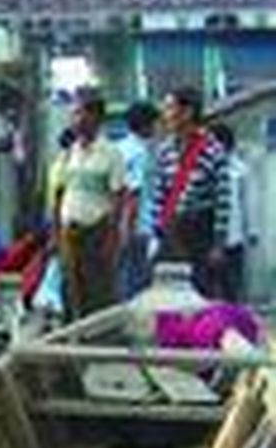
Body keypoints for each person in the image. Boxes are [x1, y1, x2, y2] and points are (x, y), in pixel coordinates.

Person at [54, 91, 127, 320]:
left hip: (95, 231)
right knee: (69, 287)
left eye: (81, 112)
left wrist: (112, 237)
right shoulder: (69, 153)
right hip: (69, 230)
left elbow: (118, 197)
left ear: (96, 117)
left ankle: (99, 343)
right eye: (74, 113)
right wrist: (56, 230)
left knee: (97, 288)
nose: (76, 119)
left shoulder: (111, 153)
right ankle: (71, 340)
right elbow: (60, 192)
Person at [152, 87, 229, 297]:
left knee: (200, 293)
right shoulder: (164, 151)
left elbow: (222, 202)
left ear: (187, 112)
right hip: (171, 232)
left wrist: (218, 244)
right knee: (169, 294)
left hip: (200, 231)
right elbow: (159, 195)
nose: (165, 114)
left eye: (170, 108)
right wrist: (156, 233)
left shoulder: (212, 150)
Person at [115, 102, 159, 299]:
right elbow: (133, 193)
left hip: (119, 224)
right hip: (138, 227)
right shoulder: (140, 153)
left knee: (122, 277)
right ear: (146, 125)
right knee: (137, 282)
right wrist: (126, 228)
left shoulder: (119, 148)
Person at [209, 123, 251, 302]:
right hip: (207, 237)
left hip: (234, 236)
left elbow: (248, 201)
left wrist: (251, 231)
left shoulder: (240, 169)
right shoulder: (204, 167)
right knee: (210, 286)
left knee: (232, 285)